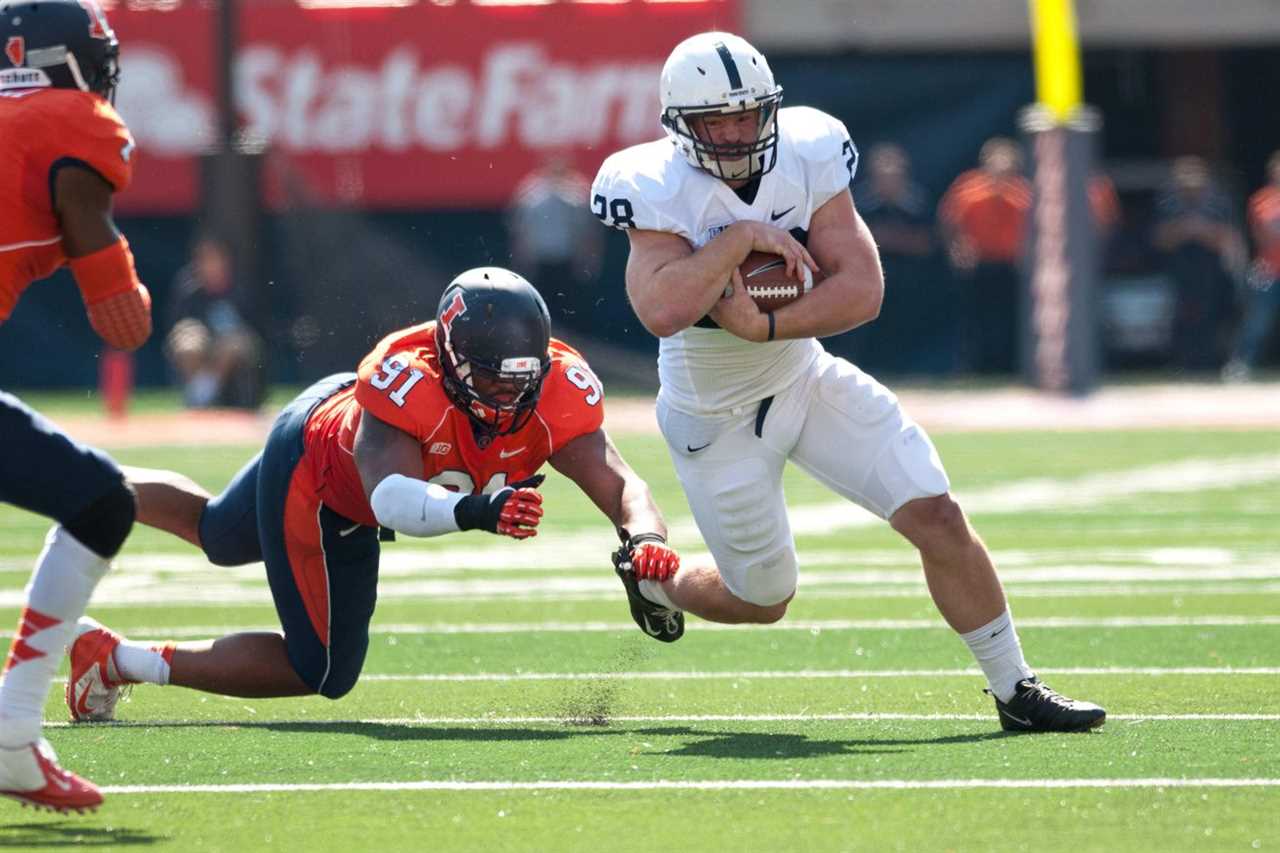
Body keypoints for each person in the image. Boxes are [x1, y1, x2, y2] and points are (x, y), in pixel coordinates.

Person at [590, 31, 1104, 732]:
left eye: (750, 114)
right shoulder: (652, 183)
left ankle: (1015, 686)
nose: (740, 133)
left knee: (937, 512)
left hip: (804, 375)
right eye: (720, 119)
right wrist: (740, 240)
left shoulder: (808, 148)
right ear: (681, 127)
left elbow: (862, 286)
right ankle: (659, 580)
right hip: (715, 416)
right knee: (765, 597)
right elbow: (662, 307)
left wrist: (767, 327)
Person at [65, 268, 682, 718]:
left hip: (331, 429)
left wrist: (647, 538)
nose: (508, 396)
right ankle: (118, 655)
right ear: (450, 357)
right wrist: (475, 511)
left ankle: (85, 489)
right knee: (324, 670)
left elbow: (620, 482)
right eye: (492, 377)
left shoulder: (552, 394)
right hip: (322, 473)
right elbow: (389, 498)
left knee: (218, 533)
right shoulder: (406, 384)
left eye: (523, 379)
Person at [0, 0, 152, 813]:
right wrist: (119, 277)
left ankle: (13, 738)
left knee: (96, 495)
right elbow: (114, 307)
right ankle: (11, 731)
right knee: (100, 501)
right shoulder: (73, 118)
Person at [853, 143, 951, 373]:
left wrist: (890, 239)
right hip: (870, 280)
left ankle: (913, 368)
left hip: (912, 282)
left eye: (894, 174)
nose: (889, 180)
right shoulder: (858, 202)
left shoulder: (919, 202)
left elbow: (928, 242)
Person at [938, 137, 1032, 375]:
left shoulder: (1023, 193)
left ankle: (1010, 367)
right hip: (978, 266)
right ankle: (973, 368)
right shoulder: (969, 189)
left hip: (1011, 266)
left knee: (1010, 319)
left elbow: (1036, 227)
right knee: (974, 320)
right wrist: (957, 250)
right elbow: (948, 222)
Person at [1152, 156, 1246, 372]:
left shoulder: (1219, 203)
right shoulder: (1167, 203)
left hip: (1213, 273)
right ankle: (1183, 364)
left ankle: (1211, 364)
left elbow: (1230, 237)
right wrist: (1185, 229)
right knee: (1180, 320)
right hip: (1178, 274)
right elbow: (1159, 239)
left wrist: (1201, 230)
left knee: (1214, 318)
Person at [165, 233, 263, 409]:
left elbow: (254, 329)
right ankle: (200, 397)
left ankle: (205, 393)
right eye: (204, 259)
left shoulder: (240, 288)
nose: (210, 265)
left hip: (234, 346)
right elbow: (178, 327)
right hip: (203, 345)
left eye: (214, 258)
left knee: (232, 342)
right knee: (188, 343)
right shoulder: (189, 291)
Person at [507, 156, 603, 332]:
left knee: (568, 304)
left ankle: (571, 335)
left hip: (566, 259)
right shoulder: (532, 193)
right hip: (542, 259)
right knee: (541, 302)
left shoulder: (576, 192)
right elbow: (522, 230)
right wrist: (523, 259)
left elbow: (586, 231)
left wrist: (586, 259)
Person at [1223, 150, 1280, 381]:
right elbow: (1265, 236)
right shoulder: (1262, 200)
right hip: (1269, 270)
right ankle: (1241, 363)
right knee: (1258, 319)